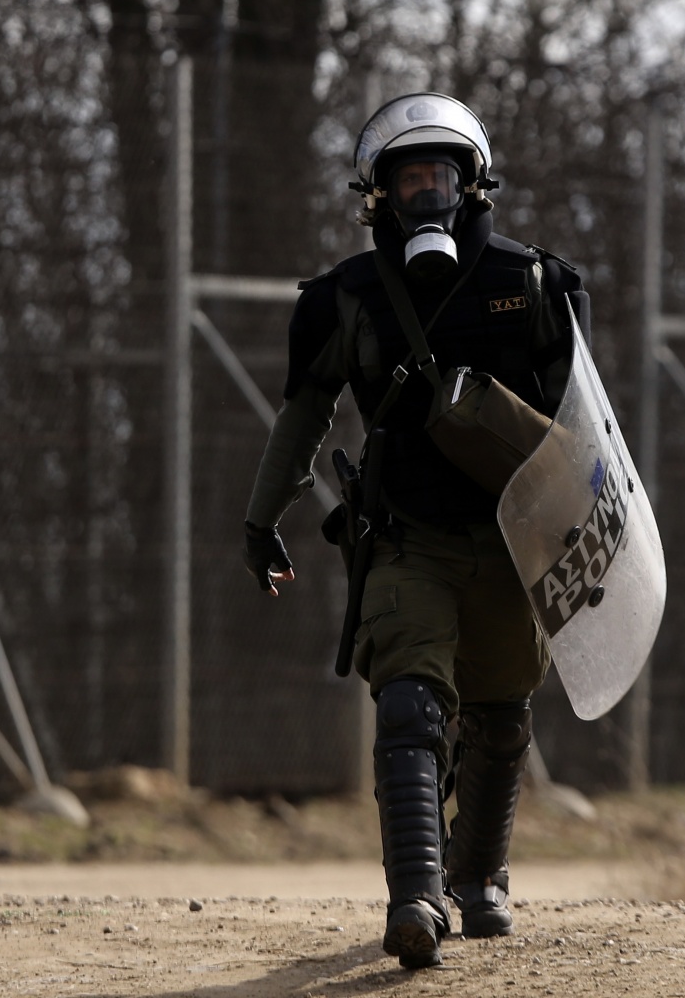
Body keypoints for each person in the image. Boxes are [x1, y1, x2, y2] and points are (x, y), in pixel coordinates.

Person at [241, 93, 588, 968]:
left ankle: (479, 880)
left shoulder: (536, 285)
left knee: (502, 717)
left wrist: (591, 535)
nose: (426, 195)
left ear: (472, 186)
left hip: (513, 545)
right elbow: (303, 415)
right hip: (406, 539)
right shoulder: (343, 301)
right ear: (379, 197)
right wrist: (260, 517)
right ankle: (416, 898)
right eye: (409, 180)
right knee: (409, 705)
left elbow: (588, 433)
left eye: (441, 176)